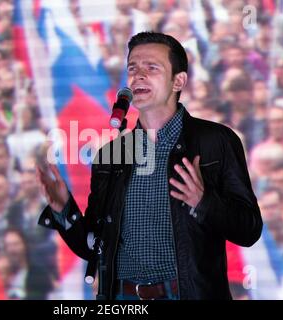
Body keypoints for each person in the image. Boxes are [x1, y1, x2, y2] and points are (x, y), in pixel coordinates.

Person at [37, 31, 262, 300]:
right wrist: (63, 209)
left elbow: (249, 229)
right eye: (132, 68)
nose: (138, 75)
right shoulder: (113, 154)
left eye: (151, 67)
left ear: (178, 80)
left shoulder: (216, 141)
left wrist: (204, 202)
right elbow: (95, 247)